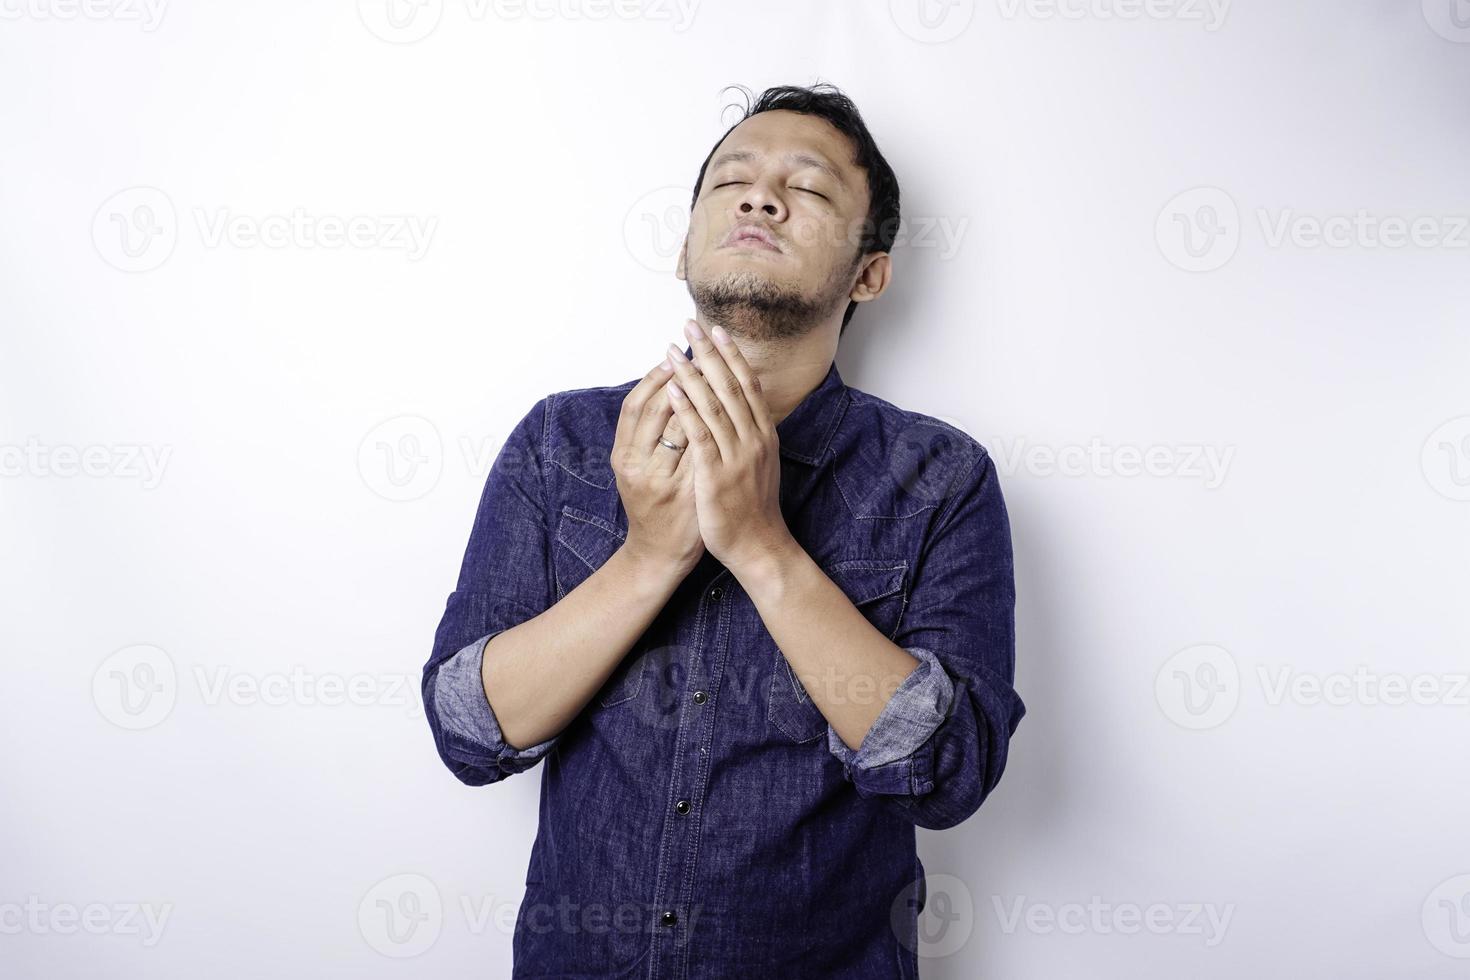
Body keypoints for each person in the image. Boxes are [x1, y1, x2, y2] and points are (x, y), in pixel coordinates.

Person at [421, 81, 1026, 977]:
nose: (760, 196)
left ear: (870, 272)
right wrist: (649, 556)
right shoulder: (561, 444)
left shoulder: (941, 477)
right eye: (730, 182)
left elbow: (948, 775)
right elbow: (469, 732)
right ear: (683, 244)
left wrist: (762, 545)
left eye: (810, 188)